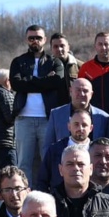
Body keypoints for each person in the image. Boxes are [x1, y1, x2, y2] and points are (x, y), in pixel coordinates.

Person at [9, 26, 66, 179]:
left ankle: (49, 192)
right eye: (31, 38)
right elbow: (16, 84)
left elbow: (56, 82)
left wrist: (29, 81)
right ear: (26, 40)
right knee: (23, 164)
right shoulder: (18, 62)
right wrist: (44, 81)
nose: (35, 41)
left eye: (38, 38)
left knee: (49, 161)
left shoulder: (55, 62)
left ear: (45, 40)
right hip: (23, 119)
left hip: (48, 119)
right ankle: (24, 193)